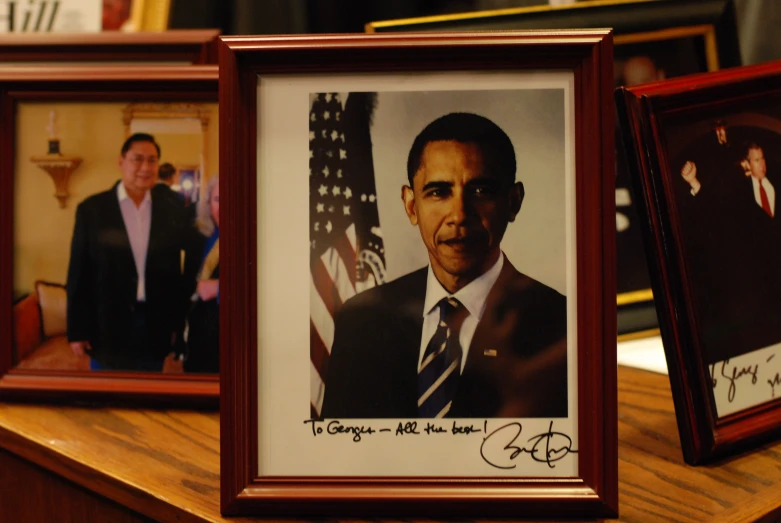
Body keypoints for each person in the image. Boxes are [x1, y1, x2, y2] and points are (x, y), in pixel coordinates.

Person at [321, 112, 567, 419]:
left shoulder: (563, 326)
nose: (459, 214)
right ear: (411, 205)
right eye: (439, 192)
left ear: (513, 202)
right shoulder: (361, 322)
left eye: (480, 191)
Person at [66, 133, 193, 371]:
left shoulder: (171, 210)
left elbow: (175, 271)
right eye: (137, 159)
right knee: (107, 401)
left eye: (152, 160)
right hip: (106, 325)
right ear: (121, 161)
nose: (146, 167)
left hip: (155, 324)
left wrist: (177, 324)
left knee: (148, 400)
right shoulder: (92, 210)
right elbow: (78, 272)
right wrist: (77, 330)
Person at [184, 176, 220, 373]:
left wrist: (220, 289)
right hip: (197, 333)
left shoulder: (256, 236)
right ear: (208, 203)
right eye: (218, 200)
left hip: (231, 339)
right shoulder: (200, 235)